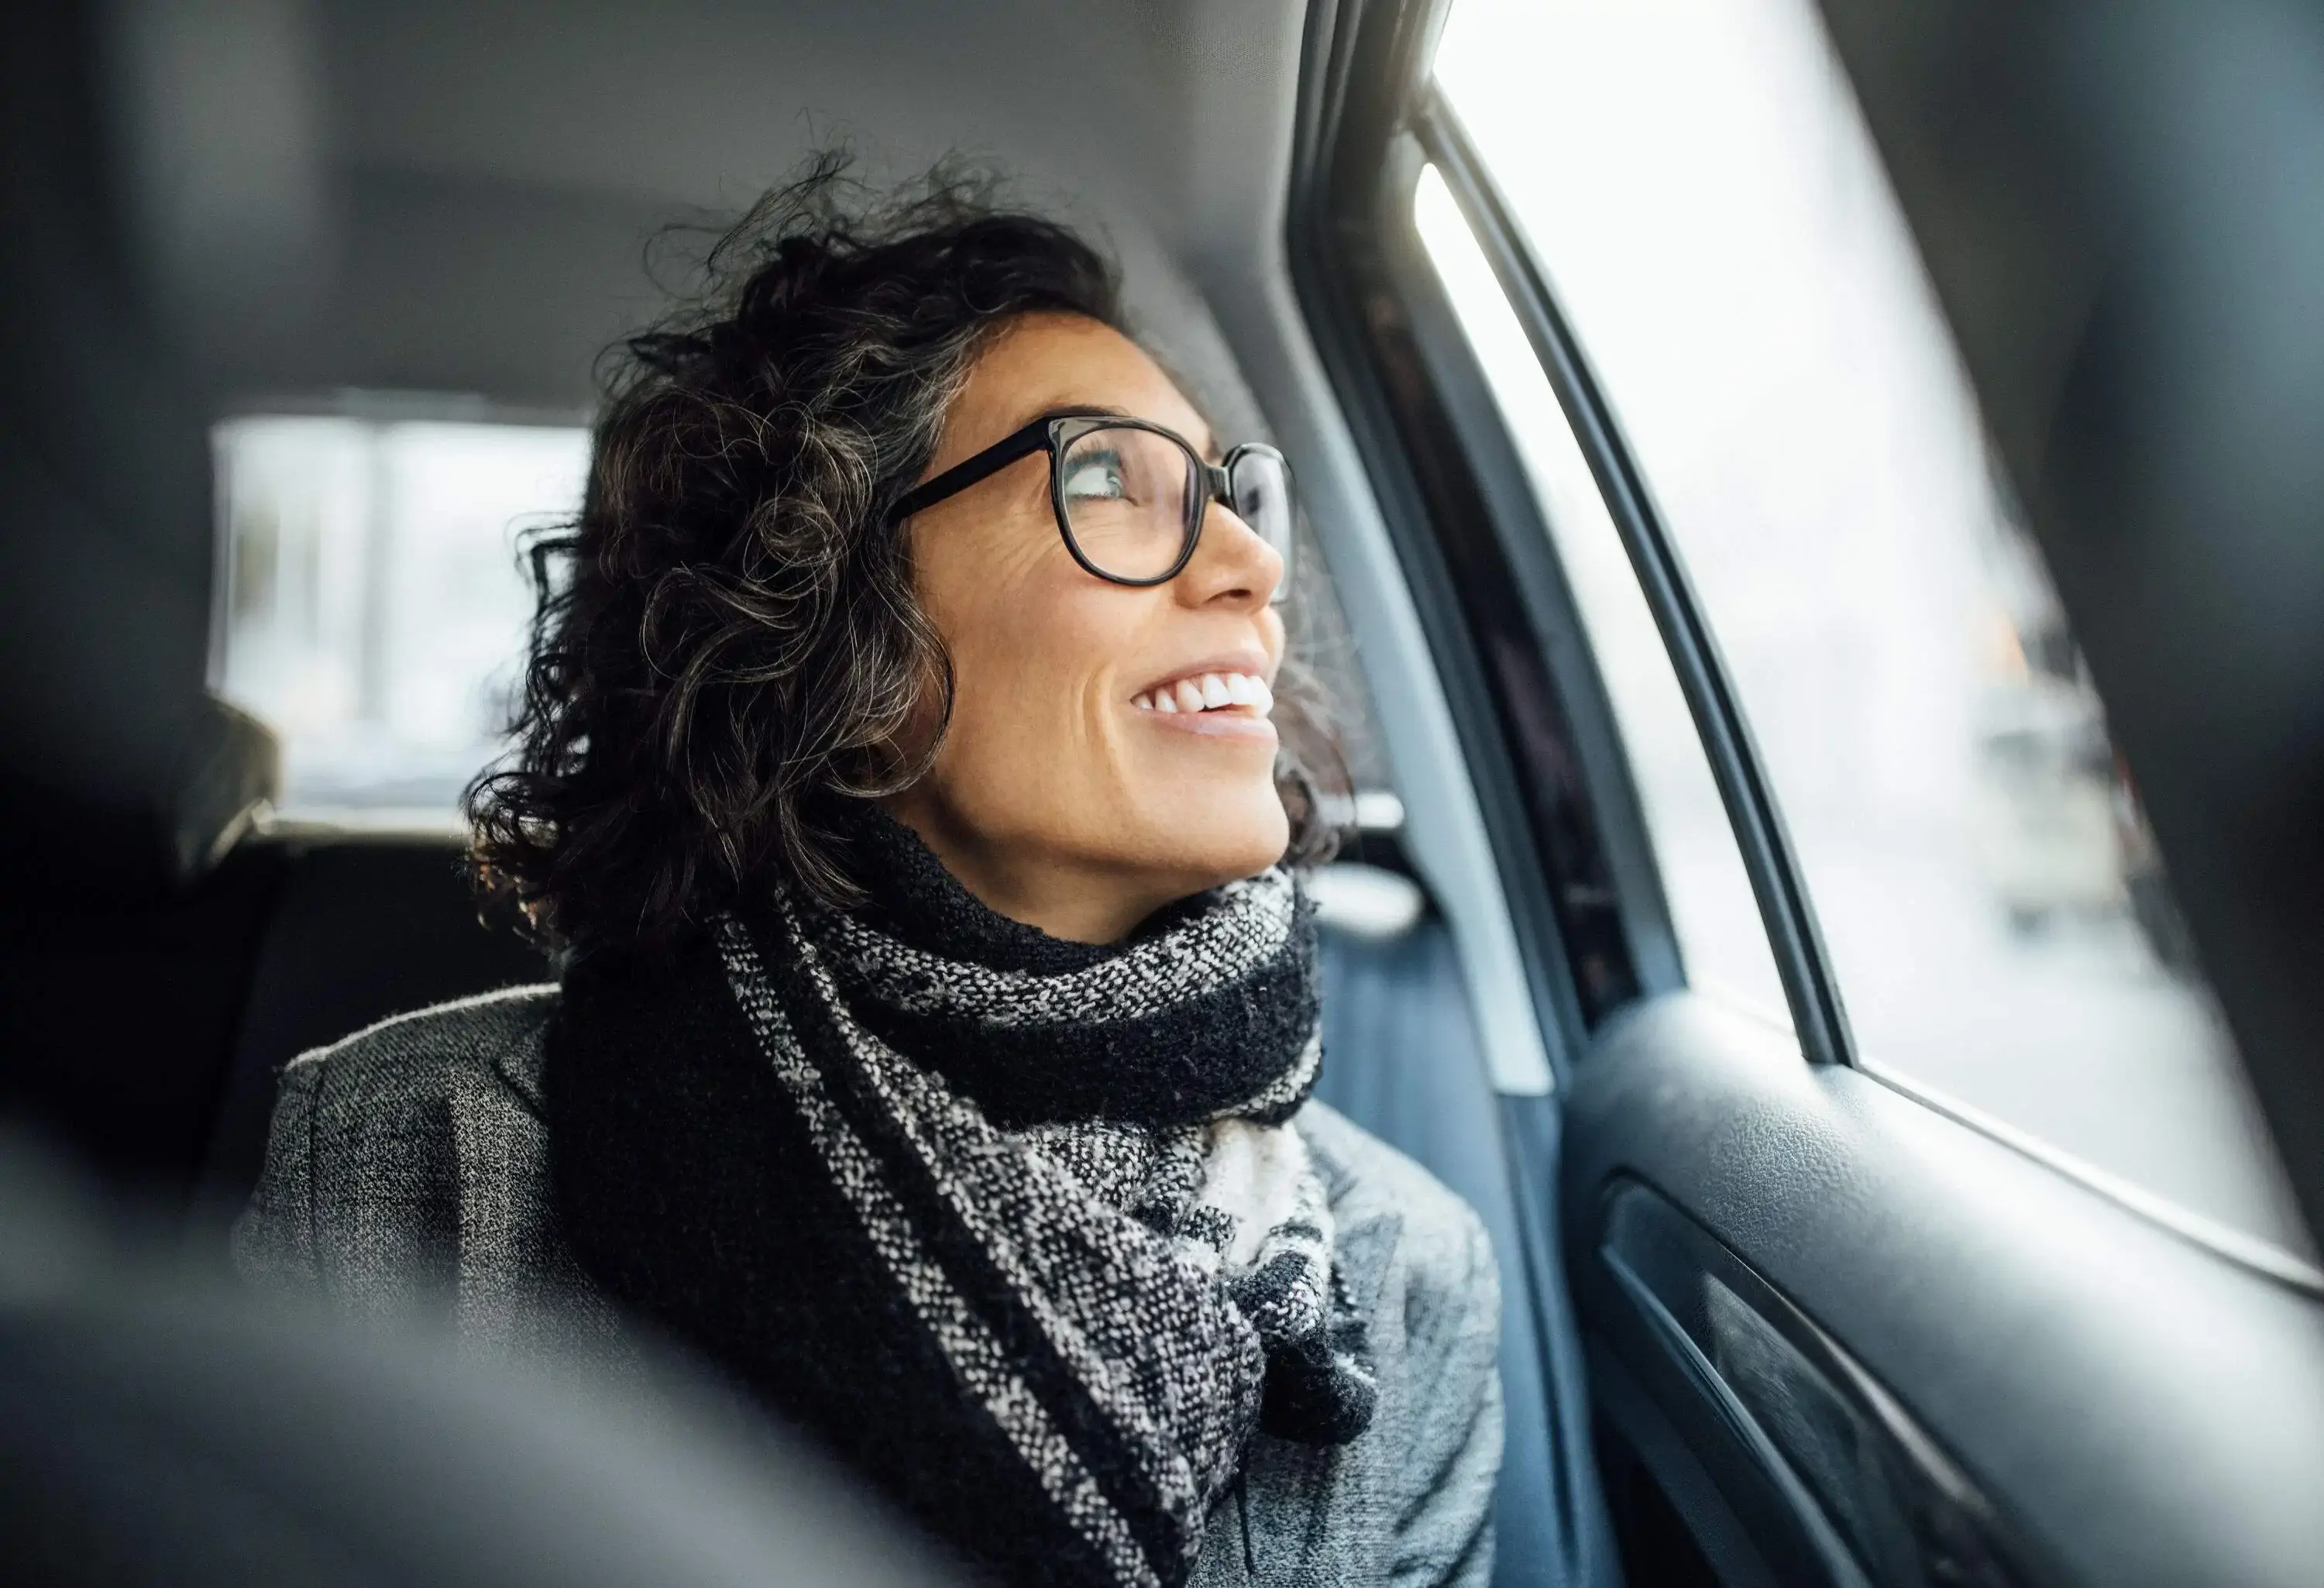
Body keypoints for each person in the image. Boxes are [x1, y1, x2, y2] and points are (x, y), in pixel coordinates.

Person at [233, 161, 1502, 1588]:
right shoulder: (416, 1155)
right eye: (1105, 480)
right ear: (838, 634)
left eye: (1230, 494)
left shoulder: (1402, 1272)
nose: (1249, 568)